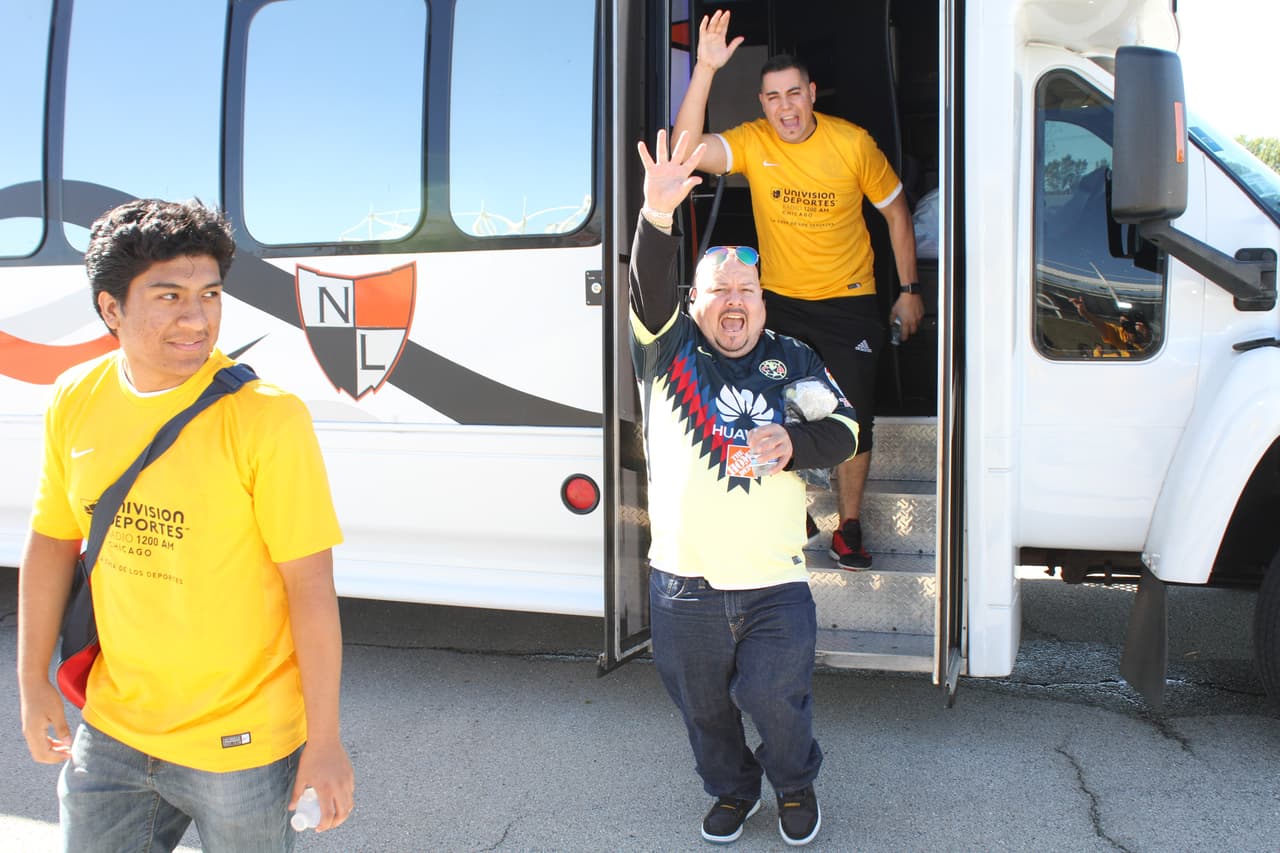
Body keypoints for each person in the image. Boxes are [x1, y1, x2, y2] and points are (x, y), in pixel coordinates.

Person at [16, 199, 354, 852]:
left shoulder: (266, 419)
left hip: (242, 746)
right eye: (169, 296)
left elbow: (310, 586)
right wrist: (31, 682)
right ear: (112, 309)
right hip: (111, 734)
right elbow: (53, 541)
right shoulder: (75, 398)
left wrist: (326, 739)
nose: (196, 318)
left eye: (209, 294)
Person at [631, 129, 860, 846]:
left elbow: (848, 430)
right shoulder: (667, 352)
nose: (735, 301)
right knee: (702, 707)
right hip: (682, 582)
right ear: (693, 302)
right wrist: (657, 219)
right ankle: (734, 789)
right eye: (719, 290)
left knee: (775, 697)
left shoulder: (793, 358)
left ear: (763, 298)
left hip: (772, 580)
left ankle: (794, 782)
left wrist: (795, 440)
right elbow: (648, 280)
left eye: (747, 290)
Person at [673, 9, 923, 569]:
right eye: (771, 98)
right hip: (780, 301)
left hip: (848, 301)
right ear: (762, 104)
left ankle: (848, 527)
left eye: (793, 94)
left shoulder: (852, 144)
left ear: (811, 94)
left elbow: (897, 213)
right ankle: (797, 514)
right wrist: (707, 70)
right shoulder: (754, 141)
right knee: (767, 407)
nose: (784, 107)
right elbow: (684, 151)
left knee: (850, 416)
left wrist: (908, 289)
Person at [1069, 295, 1152, 357]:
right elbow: (1102, 326)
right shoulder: (1121, 334)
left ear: (1140, 324)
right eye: (1124, 324)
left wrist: (1143, 336)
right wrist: (1085, 313)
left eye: (1129, 324)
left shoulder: (1159, 340)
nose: (1127, 328)